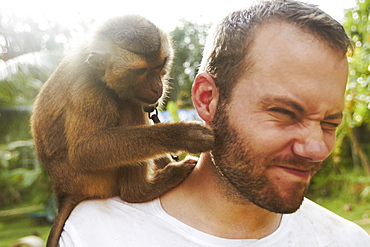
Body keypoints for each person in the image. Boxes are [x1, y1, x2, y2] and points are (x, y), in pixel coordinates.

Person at [59, 0, 370, 246]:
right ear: (207, 99)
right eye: (284, 113)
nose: (317, 148)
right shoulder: (90, 234)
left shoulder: (348, 241)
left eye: (330, 123)